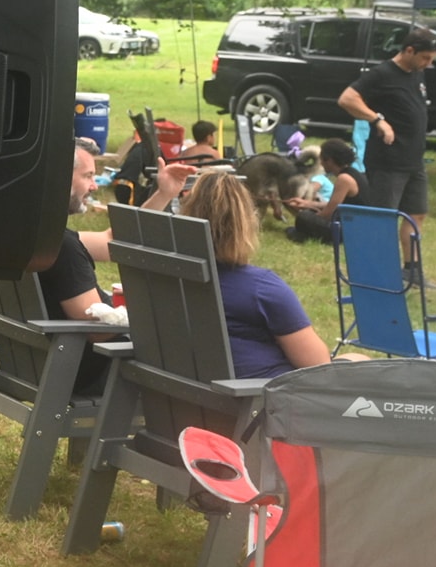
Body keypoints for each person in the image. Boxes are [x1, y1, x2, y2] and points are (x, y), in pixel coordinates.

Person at [38, 140, 191, 394]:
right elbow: (95, 330)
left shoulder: (36, 237)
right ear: (60, 177)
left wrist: (164, 193)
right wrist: (153, 324)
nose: (94, 185)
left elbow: (113, 241)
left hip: (43, 365)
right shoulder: (63, 249)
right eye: (88, 176)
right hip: (90, 374)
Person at [180, 169, 341, 380]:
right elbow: (319, 367)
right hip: (256, 404)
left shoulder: (168, 277)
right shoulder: (261, 289)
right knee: (358, 363)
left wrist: (163, 193)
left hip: (185, 401)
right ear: (247, 224)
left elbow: (132, 246)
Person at [339, 27, 436, 239]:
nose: (428, 64)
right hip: (388, 162)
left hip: (414, 160)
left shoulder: (417, 73)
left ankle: (411, 271)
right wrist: (377, 120)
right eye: (425, 58)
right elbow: (347, 99)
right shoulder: (382, 74)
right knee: (383, 219)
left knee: (416, 214)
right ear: (409, 51)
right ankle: (379, 269)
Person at [284, 137, 364, 243]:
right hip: (349, 224)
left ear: (329, 160)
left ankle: (302, 233)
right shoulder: (352, 173)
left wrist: (310, 218)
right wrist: (306, 204)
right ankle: (301, 233)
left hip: (348, 230)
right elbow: (333, 205)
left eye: (321, 159)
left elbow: (328, 214)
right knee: (307, 213)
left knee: (303, 216)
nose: (321, 163)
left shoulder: (344, 179)